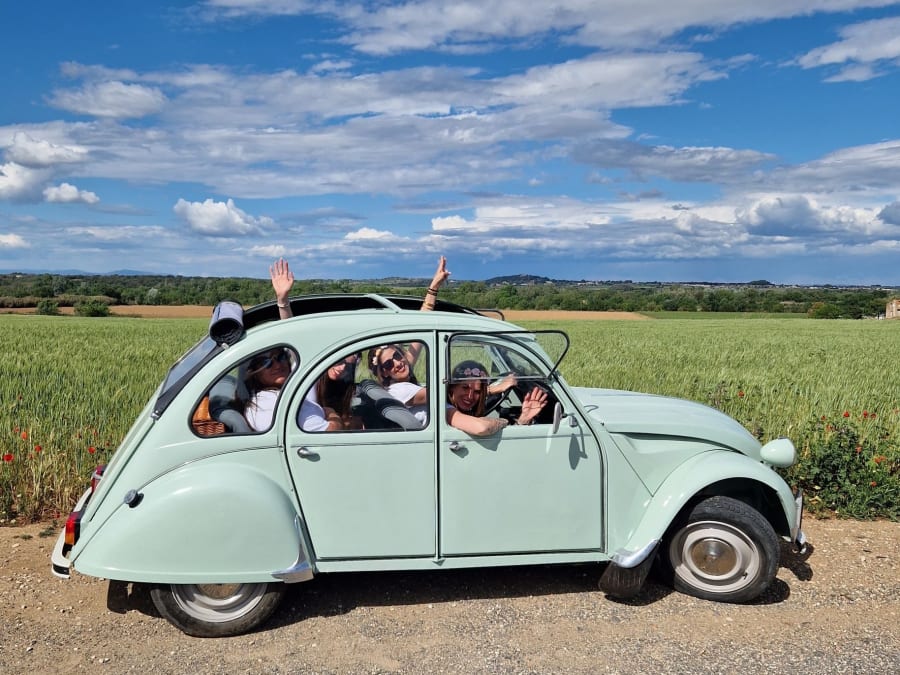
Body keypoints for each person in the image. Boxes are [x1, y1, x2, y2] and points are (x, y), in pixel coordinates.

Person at [445, 360, 548, 436]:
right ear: (452, 387)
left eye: (477, 391)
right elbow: (482, 428)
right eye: (464, 387)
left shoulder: (463, 408)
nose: (470, 396)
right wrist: (504, 421)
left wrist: (522, 420)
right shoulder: (446, 409)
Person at [298, 354, 362, 431]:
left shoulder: (345, 386)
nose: (342, 368)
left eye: (349, 365)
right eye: (340, 361)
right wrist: (331, 413)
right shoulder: (309, 384)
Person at [241, 347, 293, 431]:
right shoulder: (269, 401)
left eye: (281, 357)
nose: (278, 365)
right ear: (255, 373)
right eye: (266, 362)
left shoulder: (282, 395)